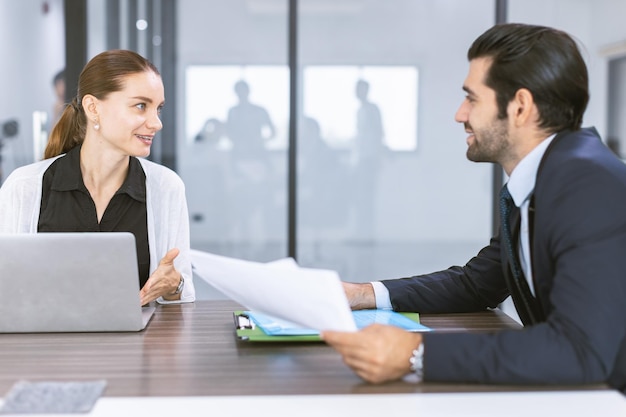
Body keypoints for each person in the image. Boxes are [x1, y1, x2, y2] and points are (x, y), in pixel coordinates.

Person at [321, 23, 626, 392]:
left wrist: (417, 354)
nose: (460, 114)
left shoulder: (587, 185)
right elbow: (477, 284)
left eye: (472, 98)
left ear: (520, 107)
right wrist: (362, 294)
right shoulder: (543, 178)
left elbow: (581, 351)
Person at [0, 49, 195, 306]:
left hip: (138, 345)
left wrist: (175, 285)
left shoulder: (165, 187)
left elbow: (182, 294)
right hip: (46, 344)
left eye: (158, 108)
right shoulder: (25, 186)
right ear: (93, 108)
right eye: (140, 106)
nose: (156, 123)